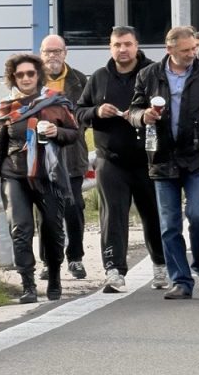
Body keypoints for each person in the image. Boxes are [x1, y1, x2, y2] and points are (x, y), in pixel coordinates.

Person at [128, 26, 199, 300]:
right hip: (162, 156)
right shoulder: (148, 75)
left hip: (198, 155)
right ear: (169, 49)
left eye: (194, 48)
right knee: (169, 224)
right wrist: (142, 116)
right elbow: (133, 110)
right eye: (185, 50)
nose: (192, 54)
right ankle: (180, 280)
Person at [75, 26, 168, 293]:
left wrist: (150, 114)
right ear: (110, 47)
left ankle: (161, 265)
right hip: (111, 160)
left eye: (127, 44)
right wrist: (96, 111)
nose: (122, 49)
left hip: (149, 159)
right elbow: (79, 112)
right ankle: (114, 270)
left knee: (154, 214)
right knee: (113, 216)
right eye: (117, 45)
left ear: (137, 46)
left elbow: (170, 108)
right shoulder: (99, 77)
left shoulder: (153, 73)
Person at [0, 53, 79, 303]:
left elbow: (73, 134)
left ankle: (54, 276)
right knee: (20, 229)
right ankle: (28, 285)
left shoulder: (55, 101)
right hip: (14, 175)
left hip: (48, 175)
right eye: (20, 75)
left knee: (52, 229)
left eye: (30, 73)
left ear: (38, 75)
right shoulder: (7, 107)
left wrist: (57, 131)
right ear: (13, 78)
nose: (25, 78)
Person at [37, 34, 90, 281]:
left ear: (65, 53)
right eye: (48, 52)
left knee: (74, 207)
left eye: (57, 51)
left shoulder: (79, 80)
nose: (53, 56)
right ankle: (49, 262)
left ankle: (75, 258)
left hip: (72, 154)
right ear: (41, 54)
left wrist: (66, 130)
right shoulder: (31, 80)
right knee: (47, 211)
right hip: (41, 156)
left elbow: (84, 115)